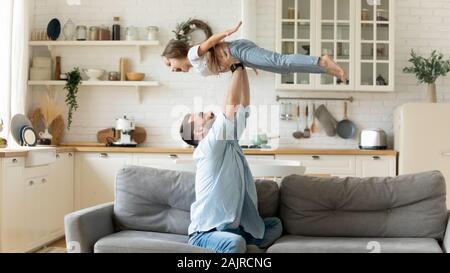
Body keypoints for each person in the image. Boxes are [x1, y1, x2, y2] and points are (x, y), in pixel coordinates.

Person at [180, 63, 282, 253]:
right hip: (206, 232)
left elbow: (242, 106)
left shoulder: (229, 140)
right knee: (234, 244)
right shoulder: (208, 148)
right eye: (203, 115)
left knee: (274, 225)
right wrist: (234, 67)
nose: (210, 113)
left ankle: (243, 244)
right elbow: (231, 106)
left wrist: (242, 68)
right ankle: (239, 246)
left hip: (232, 228)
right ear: (199, 130)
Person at [162, 19, 347, 83]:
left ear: (175, 54)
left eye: (170, 64)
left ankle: (322, 60)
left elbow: (210, 41)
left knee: (280, 62)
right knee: (282, 69)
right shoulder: (197, 66)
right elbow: (224, 64)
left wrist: (228, 32)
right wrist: (249, 62)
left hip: (238, 49)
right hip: (241, 57)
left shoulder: (192, 55)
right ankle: (325, 69)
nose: (172, 69)